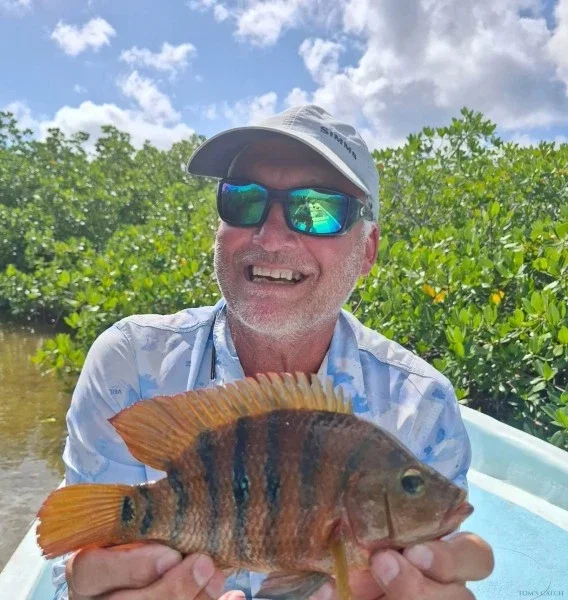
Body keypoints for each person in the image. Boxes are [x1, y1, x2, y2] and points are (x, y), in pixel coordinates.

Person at [51, 104, 494, 600]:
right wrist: (81, 589)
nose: (271, 235)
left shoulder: (423, 406)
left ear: (367, 250)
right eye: (244, 200)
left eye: (319, 210)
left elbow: (431, 561)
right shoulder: (130, 362)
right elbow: (76, 558)